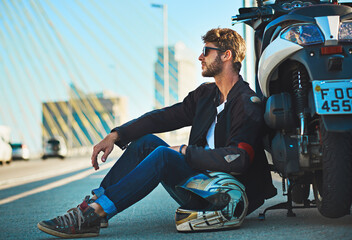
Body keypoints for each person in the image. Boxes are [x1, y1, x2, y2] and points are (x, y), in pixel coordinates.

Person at [37, 28, 276, 238]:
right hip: (200, 184)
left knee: (164, 155)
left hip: (226, 196)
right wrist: (116, 135)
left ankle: (94, 214)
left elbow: (239, 159)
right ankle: (96, 207)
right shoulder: (206, 95)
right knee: (146, 142)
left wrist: (185, 152)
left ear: (227, 55)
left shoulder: (247, 102)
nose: (200, 57)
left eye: (207, 50)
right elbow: (162, 117)